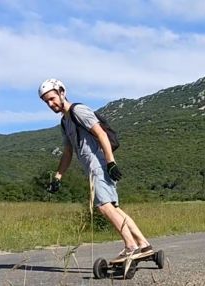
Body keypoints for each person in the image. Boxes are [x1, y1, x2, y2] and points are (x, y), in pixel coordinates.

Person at [39, 78, 153, 261]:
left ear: (62, 92)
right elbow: (68, 152)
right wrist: (58, 177)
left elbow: (101, 133)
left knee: (104, 207)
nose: (50, 104)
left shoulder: (79, 111)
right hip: (93, 169)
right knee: (114, 208)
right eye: (46, 102)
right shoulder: (65, 122)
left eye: (52, 98)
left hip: (100, 165)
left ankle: (131, 246)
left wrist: (111, 162)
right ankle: (144, 244)